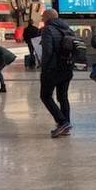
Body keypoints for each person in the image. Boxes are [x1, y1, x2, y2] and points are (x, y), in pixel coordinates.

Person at [39, 8, 75, 137]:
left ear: (48, 18)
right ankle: (65, 125)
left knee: (45, 96)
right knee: (62, 97)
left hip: (53, 69)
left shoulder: (48, 29)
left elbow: (47, 51)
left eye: (42, 17)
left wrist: (44, 67)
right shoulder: (68, 29)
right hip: (67, 68)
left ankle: (62, 122)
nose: (41, 20)